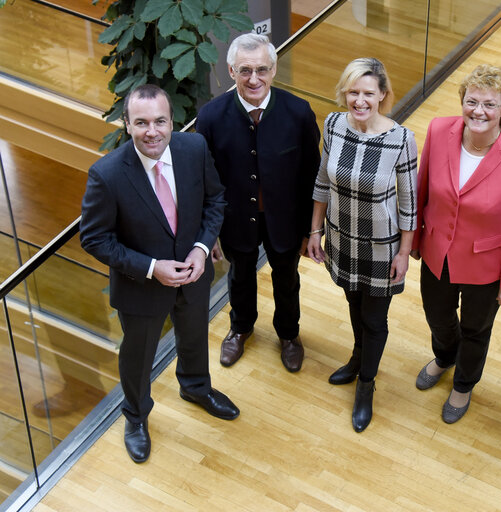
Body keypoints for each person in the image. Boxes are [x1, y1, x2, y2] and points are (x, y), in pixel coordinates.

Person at [80, 84, 239, 464]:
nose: (152, 131)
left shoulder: (194, 149)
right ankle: (135, 417)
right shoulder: (107, 175)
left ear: (172, 121)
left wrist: (202, 249)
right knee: (137, 358)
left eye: (160, 121)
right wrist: (152, 269)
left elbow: (216, 199)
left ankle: (197, 388)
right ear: (127, 124)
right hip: (141, 288)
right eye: (141, 123)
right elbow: (95, 239)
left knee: (195, 336)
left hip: (194, 274)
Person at [410, 65, 501, 424]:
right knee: (437, 317)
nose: (478, 111)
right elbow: (422, 188)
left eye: (489, 104)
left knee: (475, 328)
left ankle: (464, 384)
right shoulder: (440, 131)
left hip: (486, 267)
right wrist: (416, 239)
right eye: (471, 101)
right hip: (438, 251)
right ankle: (445, 355)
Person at [196, 32, 321, 372]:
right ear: (230, 70)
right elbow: (204, 182)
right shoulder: (209, 118)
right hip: (235, 219)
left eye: (262, 70)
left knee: (286, 277)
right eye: (245, 70)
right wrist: (209, 235)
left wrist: (312, 231)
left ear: (274, 70)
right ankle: (240, 328)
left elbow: (313, 175)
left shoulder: (298, 113)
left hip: (286, 219)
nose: (255, 79)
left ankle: (289, 334)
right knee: (239, 275)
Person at [306, 58, 417, 433]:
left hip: (381, 246)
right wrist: (314, 231)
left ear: (382, 96)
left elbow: (409, 203)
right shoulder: (334, 125)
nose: (359, 100)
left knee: (374, 318)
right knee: (353, 302)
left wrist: (404, 252)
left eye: (368, 93)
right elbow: (323, 180)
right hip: (341, 237)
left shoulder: (400, 139)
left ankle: (366, 385)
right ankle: (357, 359)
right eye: (353, 92)